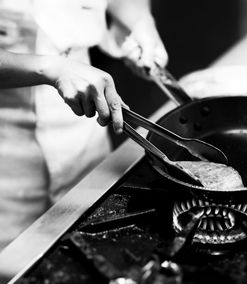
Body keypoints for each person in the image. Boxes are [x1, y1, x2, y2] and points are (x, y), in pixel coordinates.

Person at [0, 0, 168, 250]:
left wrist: (140, 21)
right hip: (9, 160)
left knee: (94, 245)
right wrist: (51, 68)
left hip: (85, 130)